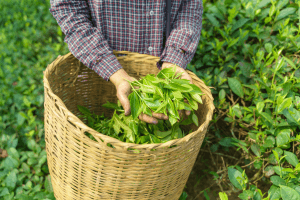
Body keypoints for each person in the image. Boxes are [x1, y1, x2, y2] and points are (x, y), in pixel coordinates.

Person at [49, 0, 203, 124]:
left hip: (161, 69)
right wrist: (113, 71)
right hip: (98, 72)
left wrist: (173, 60)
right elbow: (68, 7)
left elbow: (190, 6)